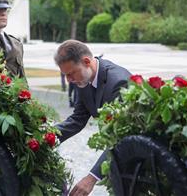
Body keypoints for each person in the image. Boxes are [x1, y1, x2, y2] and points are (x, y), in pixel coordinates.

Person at [54, 40, 131, 196]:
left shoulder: (119, 82)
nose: (69, 80)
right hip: (118, 150)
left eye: (71, 73)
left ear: (86, 61)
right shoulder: (83, 80)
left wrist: (92, 178)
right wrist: (46, 137)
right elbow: (77, 119)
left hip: (135, 153)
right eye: (65, 75)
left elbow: (121, 137)